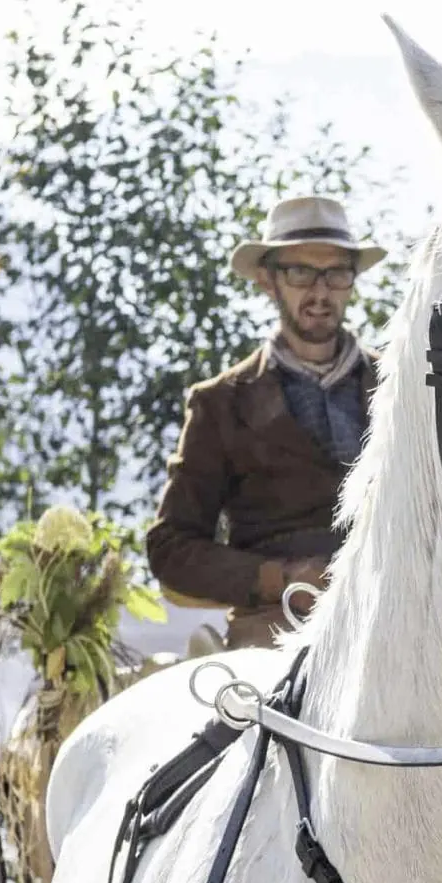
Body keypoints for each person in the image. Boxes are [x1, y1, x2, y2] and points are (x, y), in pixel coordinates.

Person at [146, 196, 386, 649]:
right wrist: (280, 577)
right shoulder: (219, 404)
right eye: (300, 272)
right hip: (276, 628)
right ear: (267, 281)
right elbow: (170, 546)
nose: (320, 293)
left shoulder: (401, 384)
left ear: (352, 280)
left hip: (399, 612)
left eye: (335, 273)